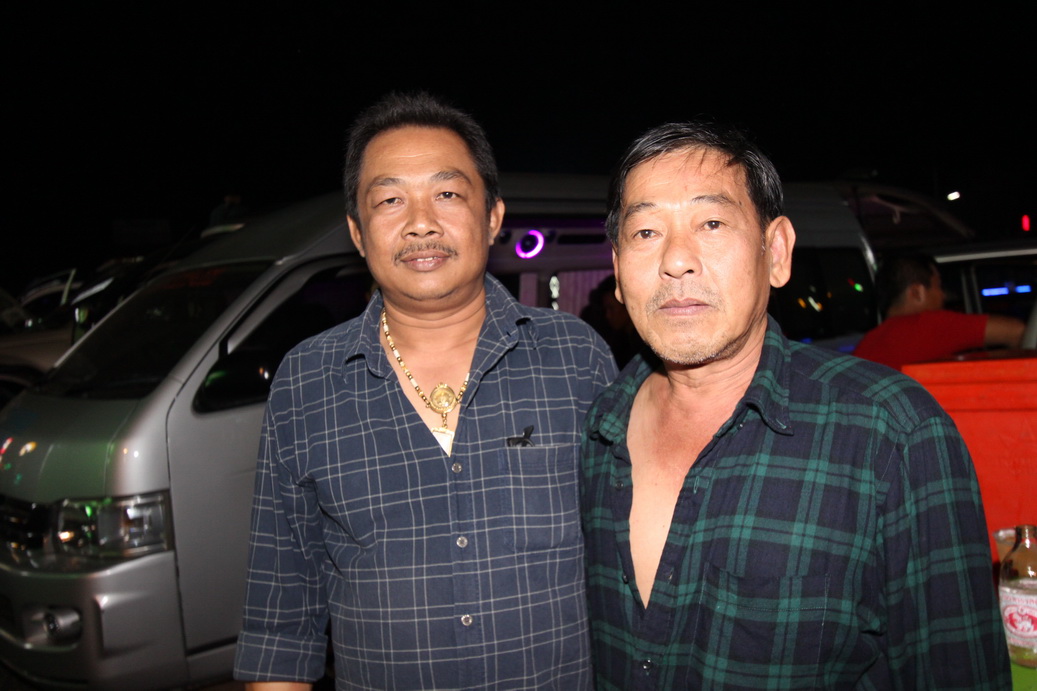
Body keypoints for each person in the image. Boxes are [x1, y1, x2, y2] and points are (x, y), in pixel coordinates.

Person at [581, 121, 1009, 689]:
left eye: (711, 223)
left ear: (777, 251)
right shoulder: (593, 429)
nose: (676, 259)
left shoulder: (893, 433)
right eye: (645, 232)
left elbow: (958, 670)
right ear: (617, 270)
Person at [234, 92, 616, 690]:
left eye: (447, 194)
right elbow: (280, 623)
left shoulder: (577, 359)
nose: (420, 223)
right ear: (358, 232)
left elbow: (627, 566)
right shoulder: (305, 382)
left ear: (492, 216)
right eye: (390, 200)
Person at [854, 253, 1025, 370]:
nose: (943, 295)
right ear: (917, 292)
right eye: (938, 286)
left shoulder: (866, 345)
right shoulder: (928, 325)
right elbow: (1016, 332)